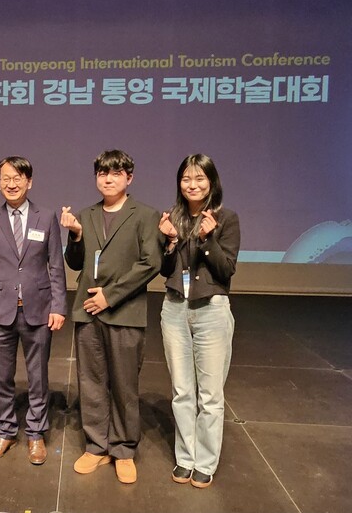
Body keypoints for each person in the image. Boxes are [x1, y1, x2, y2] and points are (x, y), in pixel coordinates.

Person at [61, 149, 162, 484]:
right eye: (103, 173)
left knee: (123, 384)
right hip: (87, 312)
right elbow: (76, 263)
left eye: (116, 173)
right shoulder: (86, 214)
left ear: (129, 178)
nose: (108, 178)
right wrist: (74, 235)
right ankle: (96, 445)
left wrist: (110, 295)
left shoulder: (146, 215)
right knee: (91, 382)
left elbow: (150, 263)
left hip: (124, 311)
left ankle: (123, 448)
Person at [0, 156, 66, 466]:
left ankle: (35, 434)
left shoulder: (46, 217)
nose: (11, 183)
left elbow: (55, 265)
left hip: (38, 309)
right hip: (0, 311)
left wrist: (58, 306)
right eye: (5, 178)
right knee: (2, 379)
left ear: (29, 182)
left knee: (38, 378)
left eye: (17, 177)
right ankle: (5, 431)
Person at [158, 154, 240, 489]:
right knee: (181, 390)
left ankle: (205, 461)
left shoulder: (226, 218)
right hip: (174, 308)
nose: (192, 185)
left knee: (209, 394)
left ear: (211, 181)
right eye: (186, 179)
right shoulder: (173, 217)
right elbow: (165, 272)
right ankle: (186, 457)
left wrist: (208, 240)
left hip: (211, 309)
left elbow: (226, 271)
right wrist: (170, 242)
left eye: (199, 179)